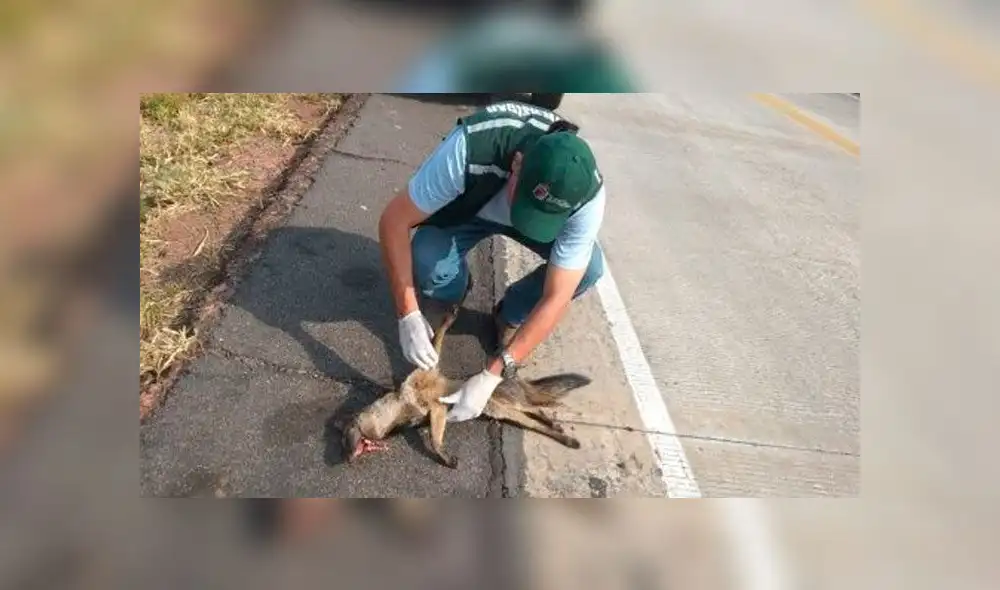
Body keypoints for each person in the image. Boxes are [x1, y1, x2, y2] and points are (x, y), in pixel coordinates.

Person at [378, 100, 606, 423]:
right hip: (471, 209)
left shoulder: (586, 195)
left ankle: (509, 314)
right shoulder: (471, 147)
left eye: (543, 214)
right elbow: (394, 221)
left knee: (589, 269)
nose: (527, 219)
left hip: (531, 216)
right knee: (427, 261)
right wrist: (408, 313)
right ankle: (452, 288)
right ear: (517, 163)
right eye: (526, 201)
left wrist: (495, 372)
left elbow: (558, 296)